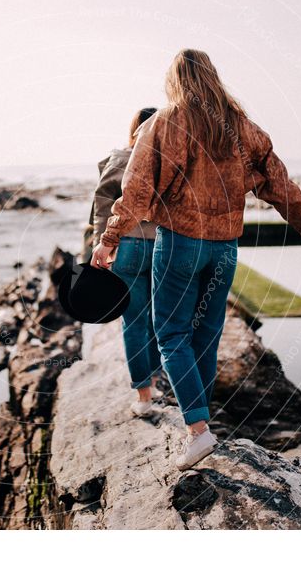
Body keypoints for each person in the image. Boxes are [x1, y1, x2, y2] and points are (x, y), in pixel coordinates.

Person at [90, 49, 301, 471]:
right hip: (225, 248)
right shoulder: (240, 125)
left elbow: (137, 186)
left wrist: (109, 239)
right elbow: (279, 181)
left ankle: (198, 432)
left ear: (175, 80)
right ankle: (204, 423)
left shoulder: (165, 121)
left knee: (171, 334)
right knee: (206, 336)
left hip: (180, 243)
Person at [89, 107, 163, 418]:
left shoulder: (120, 158)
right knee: (161, 320)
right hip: (164, 245)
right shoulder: (170, 160)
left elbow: (103, 205)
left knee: (134, 321)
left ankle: (144, 396)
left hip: (128, 245)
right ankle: (155, 383)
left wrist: (100, 244)